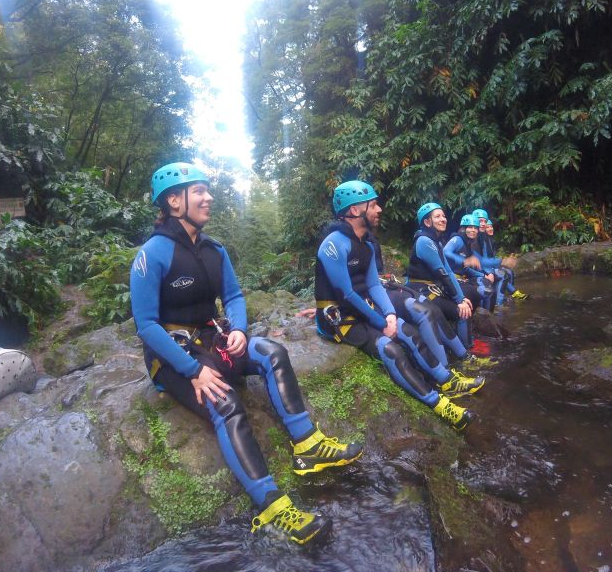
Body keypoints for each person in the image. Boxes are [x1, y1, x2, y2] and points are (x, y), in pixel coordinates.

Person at [130, 162, 362, 545]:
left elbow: (234, 297)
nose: (209, 197)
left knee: (271, 351)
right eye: (198, 191)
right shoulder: (152, 254)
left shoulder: (214, 249)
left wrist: (237, 329)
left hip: (213, 337)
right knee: (225, 400)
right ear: (174, 201)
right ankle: (271, 505)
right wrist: (192, 370)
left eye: (208, 189)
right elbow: (146, 324)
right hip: (172, 356)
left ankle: (308, 446)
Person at [315, 181, 480, 431]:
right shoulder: (333, 244)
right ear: (354, 209)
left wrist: (390, 314)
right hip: (339, 320)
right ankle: (438, 403)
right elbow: (346, 294)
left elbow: (373, 285)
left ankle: (446, 380)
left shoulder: (368, 243)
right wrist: (382, 324)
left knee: (410, 333)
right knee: (391, 349)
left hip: (366, 310)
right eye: (373, 205)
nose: (379, 209)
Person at [378, 203, 485, 364]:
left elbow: (448, 271)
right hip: (419, 290)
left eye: (443, 216)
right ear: (427, 222)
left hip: (431, 288)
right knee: (459, 312)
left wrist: (461, 298)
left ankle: (466, 354)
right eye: (437, 216)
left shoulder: (437, 241)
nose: (443, 219)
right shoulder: (424, 241)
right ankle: (465, 356)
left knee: (464, 306)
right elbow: (442, 273)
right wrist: (459, 301)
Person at [471, 208, 525, 303]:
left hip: (482, 268)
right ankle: (499, 303)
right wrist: (502, 261)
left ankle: (506, 296)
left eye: (485, 222)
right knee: (502, 273)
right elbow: (479, 260)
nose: (484, 224)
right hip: (471, 271)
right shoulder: (472, 237)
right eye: (480, 221)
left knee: (508, 272)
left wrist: (492, 269)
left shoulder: (483, 238)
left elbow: (484, 258)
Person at [443, 215, 496, 309]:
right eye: (470, 227)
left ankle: (486, 317)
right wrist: (465, 260)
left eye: (475, 228)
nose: (473, 230)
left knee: (489, 288)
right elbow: (445, 251)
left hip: (461, 278)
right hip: (450, 279)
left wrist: (483, 275)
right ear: (464, 228)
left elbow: (466, 268)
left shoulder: (468, 243)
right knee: (485, 290)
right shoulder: (458, 239)